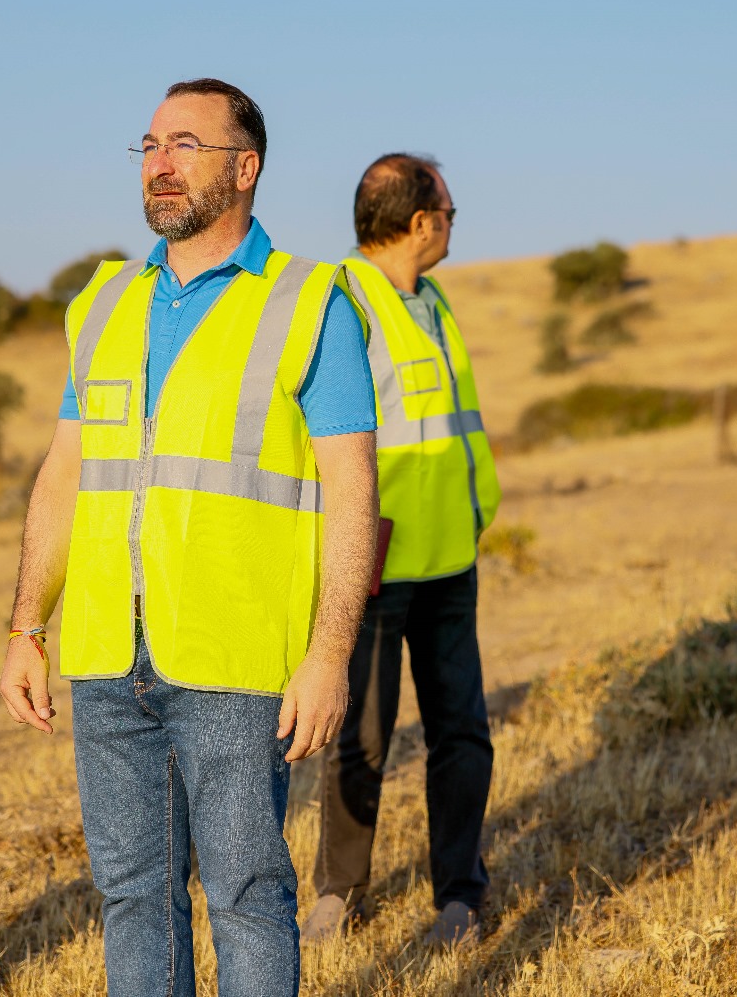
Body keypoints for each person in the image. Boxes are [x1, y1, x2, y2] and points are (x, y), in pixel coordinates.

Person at [0, 78, 379, 997]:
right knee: (131, 894)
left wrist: (330, 657)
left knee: (247, 891)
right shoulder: (103, 303)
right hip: (104, 655)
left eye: (185, 145)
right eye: (150, 144)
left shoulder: (308, 301)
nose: (159, 163)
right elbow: (62, 477)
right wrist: (25, 627)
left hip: (235, 659)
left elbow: (353, 495)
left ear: (245, 168)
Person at [302, 154, 501, 947]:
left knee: (463, 732)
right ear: (420, 221)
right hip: (375, 568)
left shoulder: (434, 299)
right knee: (360, 737)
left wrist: (482, 509)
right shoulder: (343, 303)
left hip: (452, 558)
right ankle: (337, 894)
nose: (453, 223)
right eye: (449, 211)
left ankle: (461, 895)